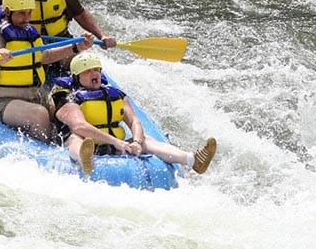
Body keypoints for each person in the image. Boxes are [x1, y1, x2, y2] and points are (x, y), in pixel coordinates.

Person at [54, 52, 217, 176]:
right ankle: (84, 161)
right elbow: (79, 126)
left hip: (112, 145)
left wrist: (137, 142)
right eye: (88, 71)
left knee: (148, 140)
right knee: (76, 138)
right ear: (77, 76)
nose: (94, 74)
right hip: (87, 142)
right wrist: (117, 142)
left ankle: (192, 160)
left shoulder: (116, 94)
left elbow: (134, 121)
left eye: (97, 70)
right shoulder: (67, 97)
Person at [0, 0, 93, 142]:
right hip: (1, 99)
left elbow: (44, 56)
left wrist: (76, 47)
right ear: (8, 11)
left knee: (65, 106)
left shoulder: (30, 33)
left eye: (29, 12)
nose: (27, 18)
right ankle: (49, 149)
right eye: (22, 13)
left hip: (33, 94)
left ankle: (77, 144)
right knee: (39, 115)